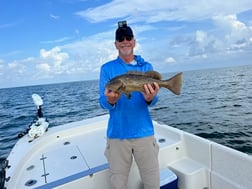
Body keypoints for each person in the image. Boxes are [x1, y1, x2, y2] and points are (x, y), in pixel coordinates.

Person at [99, 21, 160, 189]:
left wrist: (150, 98)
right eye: (121, 39)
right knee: (118, 184)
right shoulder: (107, 69)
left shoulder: (146, 67)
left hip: (144, 133)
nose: (125, 41)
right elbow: (102, 101)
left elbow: (153, 101)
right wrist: (110, 100)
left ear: (134, 41)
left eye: (128, 38)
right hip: (118, 134)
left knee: (152, 182)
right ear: (116, 44)